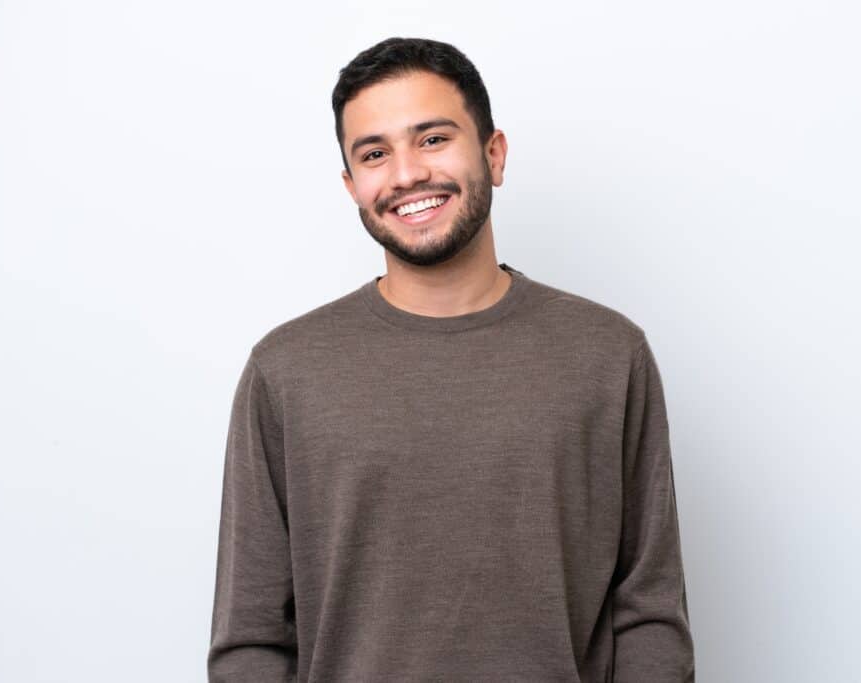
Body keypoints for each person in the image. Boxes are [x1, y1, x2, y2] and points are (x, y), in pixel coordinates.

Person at [207, 36, 695, 682]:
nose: (407, 174)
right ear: (352, 185)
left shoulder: (608, 355)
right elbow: (251, 637)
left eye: (433, 139)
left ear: (493, 153)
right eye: (375, 154)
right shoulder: (285, 371)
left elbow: (649, 613)